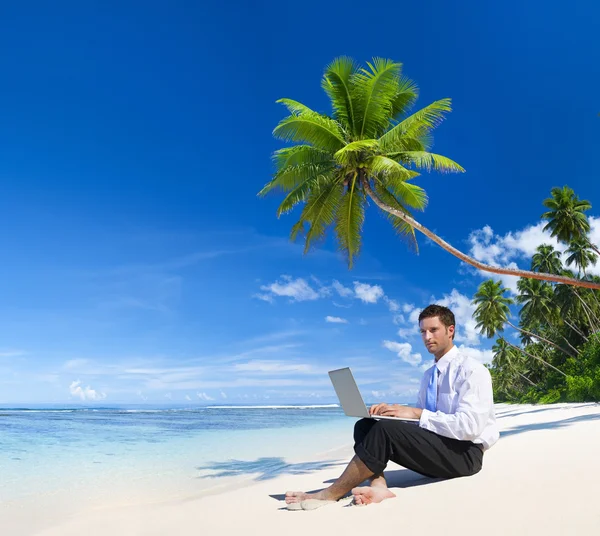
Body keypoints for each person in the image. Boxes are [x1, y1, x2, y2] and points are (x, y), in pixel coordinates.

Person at [285, 304, 500, 510]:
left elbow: (469, 427)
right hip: (439, 449)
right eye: (423, 332)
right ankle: (379, 486)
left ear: (450, 330)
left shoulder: (472, 370)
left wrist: (416, 413)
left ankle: (331, 493)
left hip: (465, 456)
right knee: (367, 425)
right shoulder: (428, 376)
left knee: (384, 431)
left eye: (433, 330)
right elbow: (423, 424)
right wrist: (391, 413)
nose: (427, 337)